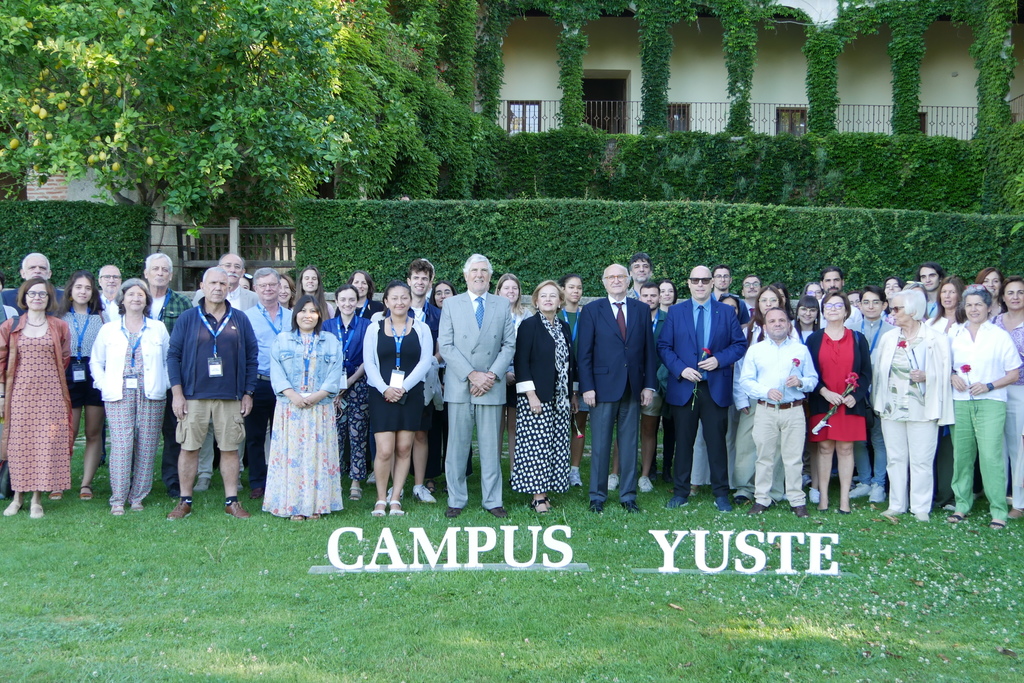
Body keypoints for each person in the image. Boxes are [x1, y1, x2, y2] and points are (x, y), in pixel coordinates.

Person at [166, 266, 259, 520]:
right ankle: (184, 501)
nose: (218, 288)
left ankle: (232, 501)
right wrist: (177, 393)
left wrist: (248, 392)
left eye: (223, 283)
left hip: (230, 395)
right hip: (193, 395)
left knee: (230, 448)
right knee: (189, 447)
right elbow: (173, 356)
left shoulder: (240, 319)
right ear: (203, 286)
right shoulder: (188, 318)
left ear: (230, 287)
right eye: (213, 283)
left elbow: (252, 357)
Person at [658, 265, 747, 512]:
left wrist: (719, 359)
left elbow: (739, 345)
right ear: (688, 283)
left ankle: (721, 494)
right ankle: (680, 492)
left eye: (704, 280)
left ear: (712, 284)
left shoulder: (726, 312)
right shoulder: (676, 312)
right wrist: (680, 370)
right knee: (683, 442)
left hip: (714, 387)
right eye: (695, 280)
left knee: (716, 442)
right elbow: (664, 346)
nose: (700, 284)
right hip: (684, 386)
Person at [438, 254, 516, 518]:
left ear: (490, 276)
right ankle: (456, 498)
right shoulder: (450, 304)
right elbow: (445, 345)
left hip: (491, 385)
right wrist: (472, 374)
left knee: (491, 446)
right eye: (474, 270)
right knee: (457, 446)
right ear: (466, 275)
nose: (479, 275)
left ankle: (492, 500)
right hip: (460, 385)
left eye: (484, 270)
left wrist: (490, 375)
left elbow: (509, 345)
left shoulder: (502, 304)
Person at [578, 263, 658, 513]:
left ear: (628, 279)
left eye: (620, 276)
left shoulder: (641, 309)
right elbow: (584, 353)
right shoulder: (592, 310)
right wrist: (587, 387)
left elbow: (649, 351)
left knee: (629, 443)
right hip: (601, 388)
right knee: (600, 444)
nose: (616, 280)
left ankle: (628, 495)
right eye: (610, 277)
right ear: (603, 282)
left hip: (633, 387)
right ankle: (597, 496)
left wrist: (649, 385)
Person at [872, 288, 953, 522]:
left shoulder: (935, 339)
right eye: (892, 307)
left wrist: (928, 376)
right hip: (892, 408)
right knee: (895, 458)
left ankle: (920, 507)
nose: (892, 312)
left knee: (921, 460)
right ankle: (896, 504)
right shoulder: (889, 338)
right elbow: (880, 375)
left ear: (913, 310)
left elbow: (945, 373)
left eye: (897, 308)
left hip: (922, 408)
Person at [89, 279, 170, 515]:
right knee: (122, 446)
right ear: (122, 299)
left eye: (141, 295)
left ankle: (137, 497)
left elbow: (168, 361)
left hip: (151, 393)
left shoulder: (158, 328)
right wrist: (103, 384)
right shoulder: (109, 329)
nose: (136, 298)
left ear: (147, 300)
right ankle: (118, 498)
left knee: (147, 445)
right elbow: (96, 361)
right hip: (118, 393)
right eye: (131, 294)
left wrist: (164, 384)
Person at [263, 295, 346, 520]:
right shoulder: (282, 340)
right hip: (291, 409)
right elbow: (276, 371)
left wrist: (318, 396)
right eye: (303, 311)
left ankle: (316, 504)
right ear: (295, 314)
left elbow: (335, 372)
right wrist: (292, 395)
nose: (307, 315)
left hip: (320, 408)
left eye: (313, 311)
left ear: (319, 315)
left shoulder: (330, 340)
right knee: (293, 456)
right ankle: (293, 506)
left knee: (318, 455)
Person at [947, 285, 1021, 529]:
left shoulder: (999, 335)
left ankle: (998, 509)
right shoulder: (955, 333)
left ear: (989, 308)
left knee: (990, 457)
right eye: (969, 305)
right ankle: (961, 505)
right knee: (962, 456)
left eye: (978, 304)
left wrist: (989, 385)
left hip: (991, 402)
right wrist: (951, 376)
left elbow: (1014, 373)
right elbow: (943, 365)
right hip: (960, 401)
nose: (973, 309)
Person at [0, 278, 72, 519]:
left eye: (42, 294)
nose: (37, 297)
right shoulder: (10, 326)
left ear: (49, 298)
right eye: (32, 293)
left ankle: (36, 500)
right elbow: (1, 363)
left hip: (51, 396)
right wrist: (1, 394)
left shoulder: (59, 326)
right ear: (24, 297)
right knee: (19, 445)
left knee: (45, 445)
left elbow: (64, 358)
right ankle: (18, 497)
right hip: (19, 395)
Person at [738, 307, 818, 517]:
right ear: (765, 326)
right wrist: (765, 391)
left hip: (793, 410)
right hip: (766, 409)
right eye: (772, 321)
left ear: (788, 324)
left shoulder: (800, 350)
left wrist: (800, 382)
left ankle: (796, 499)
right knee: (764, 456)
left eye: (781, 320)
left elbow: (813, 380)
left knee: (793, 457)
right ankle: (762, 498)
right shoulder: (756, 350)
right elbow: (745, 381)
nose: (777, 324)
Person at [364, 281, 434, 517]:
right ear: (386, 302)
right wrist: (385, 388)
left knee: (404, 448)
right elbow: (370, 363)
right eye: (394, 298)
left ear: (410, 300)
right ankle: (381, 499)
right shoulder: (374, 328)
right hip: (381, 394)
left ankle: (396, 499)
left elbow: (425, 362)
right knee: (384, 450)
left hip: (411, 394)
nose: (399, 302)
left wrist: (403, 387)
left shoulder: (422, 328)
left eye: (404, 297)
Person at [511, 281, 577, 513]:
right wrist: (531, 394)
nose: (548, 299)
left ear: (560, 301)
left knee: (556, 444)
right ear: (536, 301)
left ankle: (547, 490)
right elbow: (521, 362)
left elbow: (570, 364)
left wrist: (572, 394)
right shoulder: (529, 326)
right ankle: (537, 497)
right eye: (543, 296)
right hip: (536, 397)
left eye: (553, 296)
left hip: (560, 398)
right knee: (537, 447)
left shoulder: (564, 328)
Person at [806, 292, 872, 514]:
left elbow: (866, 373)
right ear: (823, 311)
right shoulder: (814, 339)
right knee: (824, 448)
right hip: (823, 401)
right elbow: (809, 373)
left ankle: (844, 500)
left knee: (845, 448)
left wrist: (856, 395)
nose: (833, 309)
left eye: (838, 305)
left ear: (846, 311)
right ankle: (823, 497)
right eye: (828, 305)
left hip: (849, 403)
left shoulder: (857, 338)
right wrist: (824, 392)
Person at [144, 253, 195, 499]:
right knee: (137, 432)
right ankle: (134, 480)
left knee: (174, 431)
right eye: (155, 269)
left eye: (165, 269)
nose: (160, 273)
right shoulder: (134, 298)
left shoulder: (182, 303)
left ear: (171, 275)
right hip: (139, 377)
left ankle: (173, 482)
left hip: (172, 378)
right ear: (146, 274)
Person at [57, 270, 106, 502]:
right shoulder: (59, 318)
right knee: (69, 431)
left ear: (92, 292)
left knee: (93, 432)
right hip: (69, 373)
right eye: (79, 287)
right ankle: (58, 479)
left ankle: (86, 483)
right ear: (70, 290)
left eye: (87, 288)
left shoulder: (102, 318)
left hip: (94, 373)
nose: (83, 292)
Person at [242, 268, 291, 500]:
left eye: (272, 284)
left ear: (280, 285)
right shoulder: (245, 317)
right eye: (263, 286)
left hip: (287, 386)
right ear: (255, 289)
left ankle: (283, 479)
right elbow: (244, 354)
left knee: (285, 435)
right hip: (260, 382)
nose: (268, 289)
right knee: (255, 435)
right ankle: (258, 482)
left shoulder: (293, 316)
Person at [324, 285, 371, 501]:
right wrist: (336, 386)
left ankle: (355, 481)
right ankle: (333, 480)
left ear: (357, 300)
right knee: (334, 435)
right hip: (332, 388)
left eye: (351, 299)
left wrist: (350, 381)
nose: (347, 304)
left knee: (357, 433)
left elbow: (368, 359)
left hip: (358, 385)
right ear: (336, 301)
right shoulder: (326, 326)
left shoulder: (366, 325)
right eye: (343, 299)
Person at [851, 285, 896, 504]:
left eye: (875, 302)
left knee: (879, 438)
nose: (870, 306)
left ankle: (879, 483)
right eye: (866, 302)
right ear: (859, 305)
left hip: (881, 391)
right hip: (856, 391)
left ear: (884, 305)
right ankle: (864, 481)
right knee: (858, 439)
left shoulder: (892, 331)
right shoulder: (850, 329)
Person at [406, 259, 442, 504]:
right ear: (409, 281)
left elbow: (442, 349)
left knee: (420, 434)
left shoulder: (438, 315)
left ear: (430, 284)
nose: (420, 282)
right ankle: (394, 485)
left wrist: (428, 363)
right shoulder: (397, 309)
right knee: (399, 434)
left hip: (426, 383)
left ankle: (419, 484)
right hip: (398, 382)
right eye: (416, 278)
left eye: (424, 279)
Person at [994, 276, 1024, 519]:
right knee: (997, 446)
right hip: (995, 389)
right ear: (1002, 297)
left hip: (1020, 390)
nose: (1015, 296)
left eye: (1020, 292)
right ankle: (999, 497)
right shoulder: (995, 322)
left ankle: (1019, 503)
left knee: (1018, 448)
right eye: (1010, 292)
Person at [495, 273, 531, 470]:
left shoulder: (527, 315)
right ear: (498, 291)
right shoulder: (492, 315)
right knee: (497, 425)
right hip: (497, 376)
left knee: (514, 425)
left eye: (514, 288)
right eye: (506, 288)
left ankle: (514, 469)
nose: (511, 291)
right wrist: (502, 373)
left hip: (519, 376)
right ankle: (495, 468)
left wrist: (517, 373)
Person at [558, 273, 587, 488]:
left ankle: (574, 470)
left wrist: (576, 390)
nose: (575, 291)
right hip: (558, 381)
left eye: (579, 288)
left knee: (579, 425)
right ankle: (558, 467)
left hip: (582, 379)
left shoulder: (588, 316)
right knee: (557, 426)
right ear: (563, 290)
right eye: (571, 287)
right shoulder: (555, 315)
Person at [638, 282, 666, 492]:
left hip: (655, 384)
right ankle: (615, 472)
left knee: (649, 429)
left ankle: (645, 475)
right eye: (645, 295)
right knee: (624, 430)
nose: (649, 299)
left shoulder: (668, 320)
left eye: (653, 295)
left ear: (659, 298)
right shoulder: (632, 318)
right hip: (630, 383)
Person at [192, 253, 258, 311]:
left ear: (243, 272)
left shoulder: (253, 298)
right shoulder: (202, 294)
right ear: (219, 268)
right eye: (228, 266)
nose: (232, 270)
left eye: (237, 267)